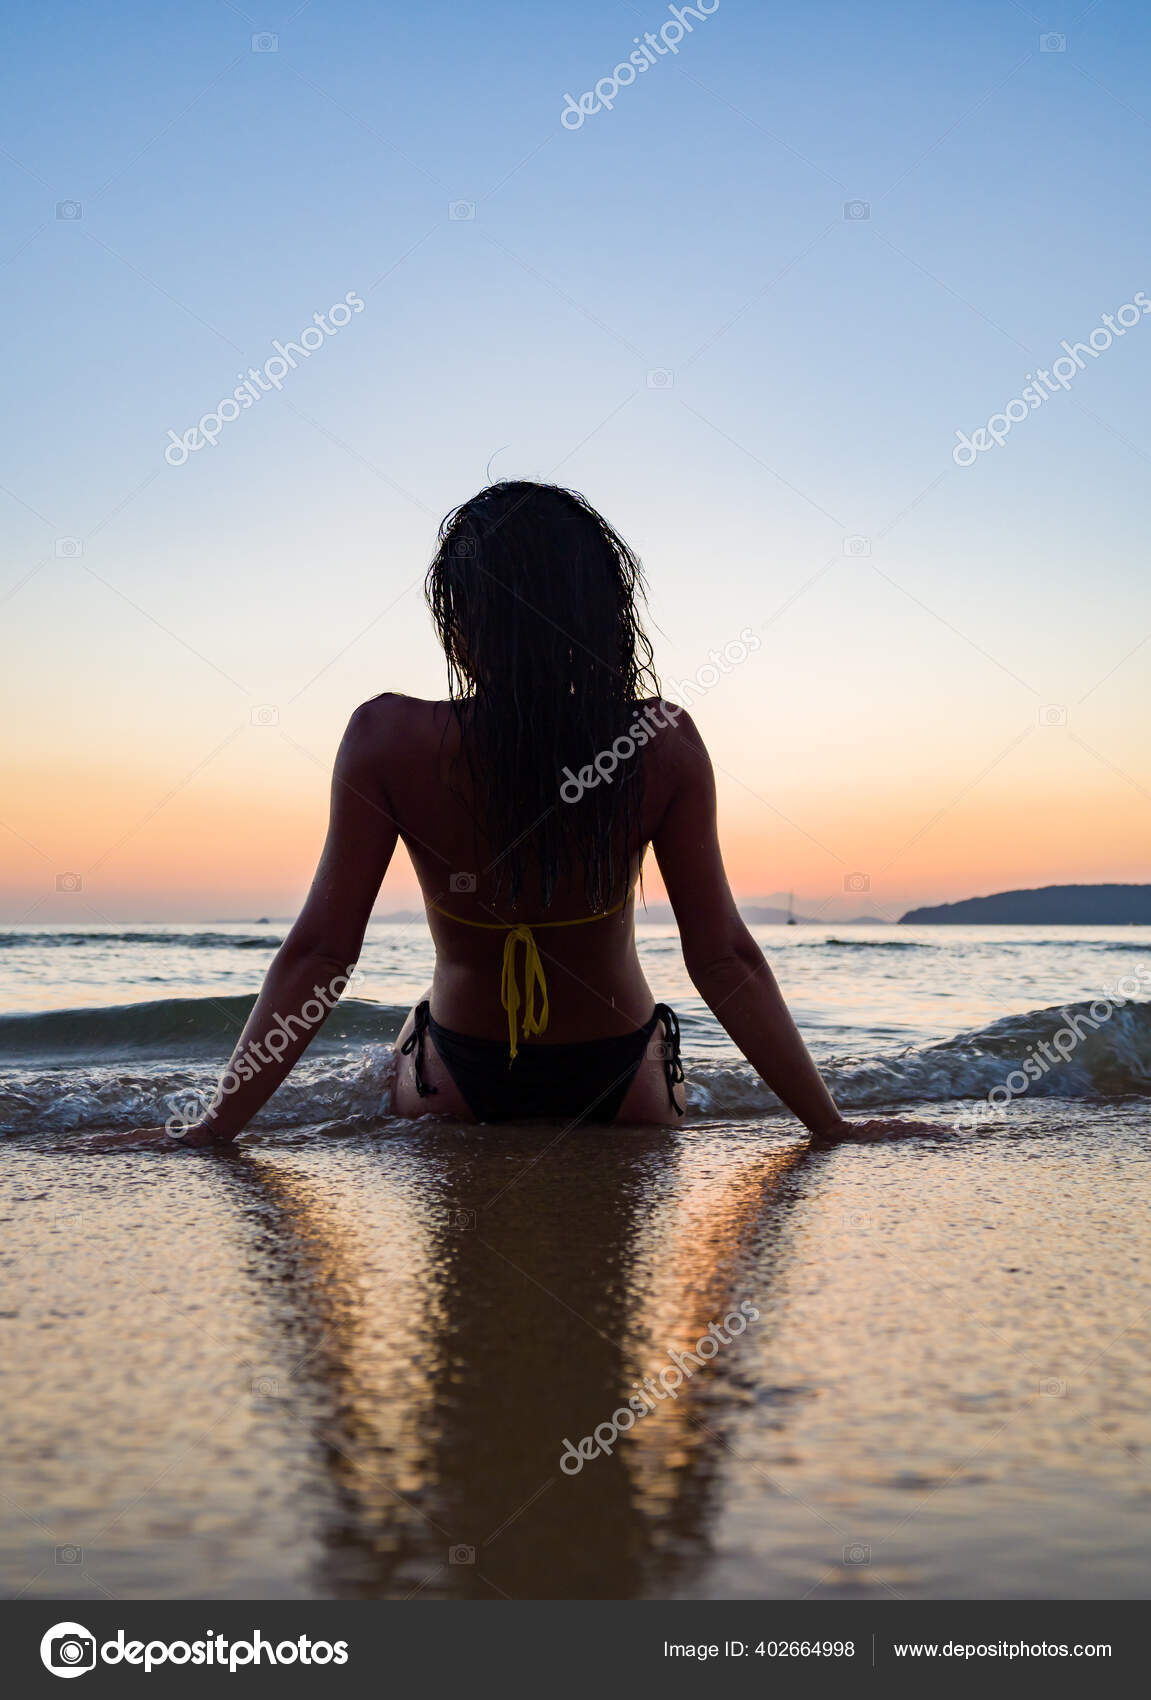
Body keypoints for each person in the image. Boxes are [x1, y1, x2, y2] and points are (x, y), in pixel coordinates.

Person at [104, 482, 931, 1148]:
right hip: (621, 1081)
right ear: (602, 617)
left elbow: (322, 954)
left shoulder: (386, 737)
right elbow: (724, 960)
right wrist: (830, 1127)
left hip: (457, 1081)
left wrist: (215, 1128)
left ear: (461, 619)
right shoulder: (658, 741)